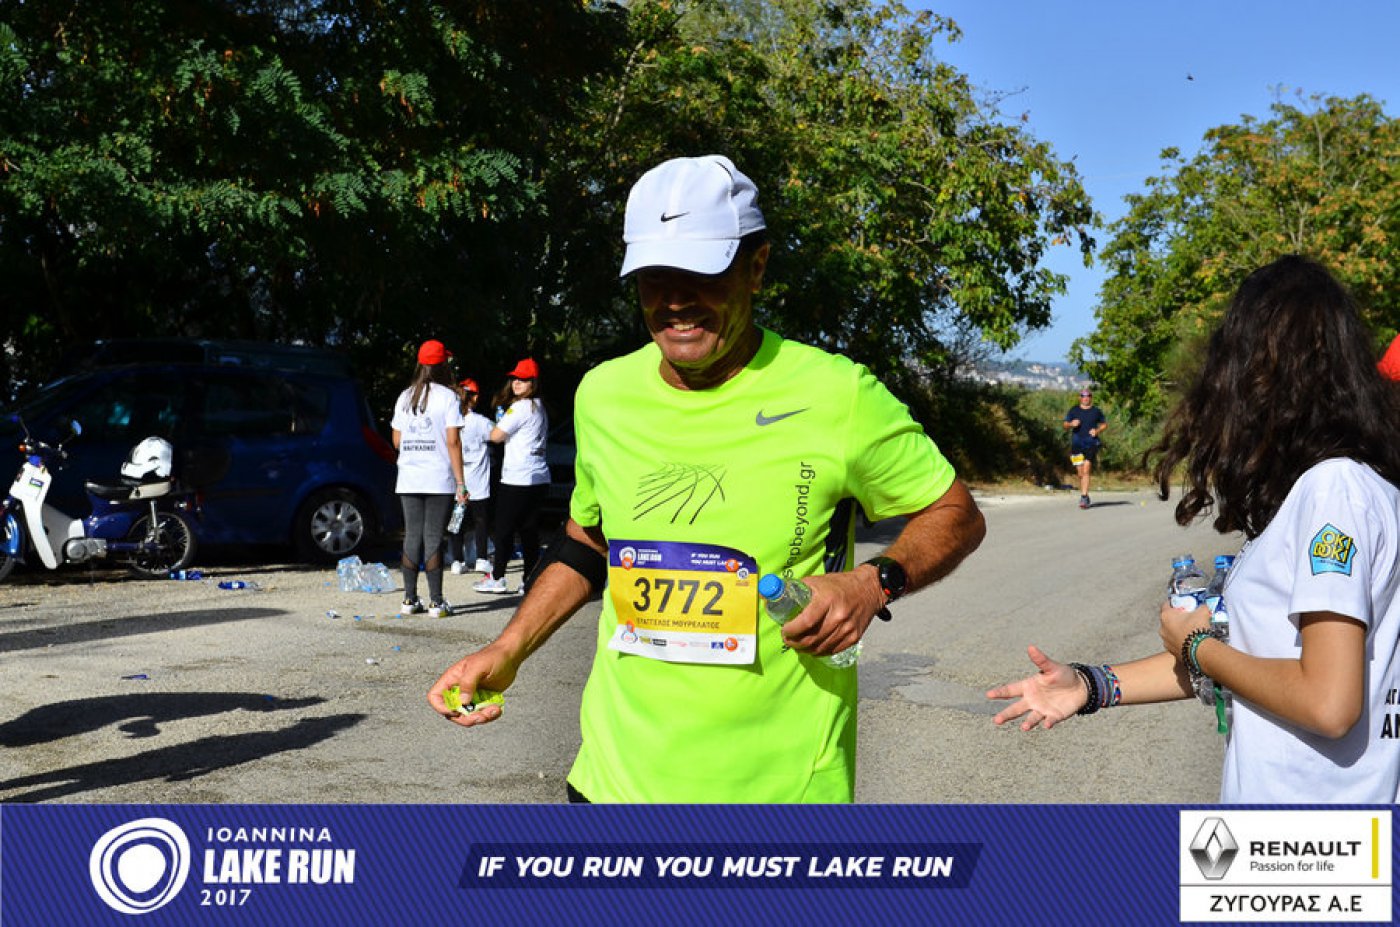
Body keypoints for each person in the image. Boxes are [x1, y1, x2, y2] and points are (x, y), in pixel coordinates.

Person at [430, 154, 986, 802]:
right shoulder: (604, 394)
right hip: (612, 784)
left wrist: (872, 581)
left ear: (756, 267)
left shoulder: (837, 394)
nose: (675, 300)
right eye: (654, 276)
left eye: (701, 271)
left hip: (778, 796)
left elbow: (955, 513)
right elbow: (587, 545)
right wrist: (508, 648)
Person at [987, 255, 1400, 803]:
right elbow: (1256, 664)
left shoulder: (1335, 490)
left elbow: (1328, 702)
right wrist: (1089, 685)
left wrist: (1199, 646)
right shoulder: (1339, 486)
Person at [390, 340, 466, 618]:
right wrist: (461, 482)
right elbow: (453, 441)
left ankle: (409, 599)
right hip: (438, 478)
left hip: (409, 477)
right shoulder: (448, 397)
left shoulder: (405, 396)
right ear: (443, 365)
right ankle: (436, 602)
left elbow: (396, 440)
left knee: (412, 535)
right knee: (433, 536)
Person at [473, 358, 550, 594]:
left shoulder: (520, 407)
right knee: (529, 531)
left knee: (503, 529)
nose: (517, 382)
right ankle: (529, 579)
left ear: (533, 383)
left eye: (523, 379)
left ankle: (497, 577)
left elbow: (496, 436)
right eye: (515, 378)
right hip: (539, 477)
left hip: (517, 478)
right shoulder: (540, 407)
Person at [446, 378, 494, 576]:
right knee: (481, 521)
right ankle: (482, 559)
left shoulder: (449, 422)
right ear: (474, 398)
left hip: (456, 481)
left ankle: (457, 561)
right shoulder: (481, 422)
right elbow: (498, 435)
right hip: (479, 482)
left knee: (457, 521)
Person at [1063, 388, 1106, 509]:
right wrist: (1071, 424)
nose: (1085, 398)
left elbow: (1104, 424)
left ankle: (1084, 497)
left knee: (1086, 469)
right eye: (1083, 396)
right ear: (1080, 398)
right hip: (1077, 444)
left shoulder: (1096, 411)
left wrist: (1097, 431)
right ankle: (1085, 494)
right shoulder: (1074, 410)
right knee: (1080, 473)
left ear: (1091, 398)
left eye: (1088, 396)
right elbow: (1065, 424)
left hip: (1091, 443)